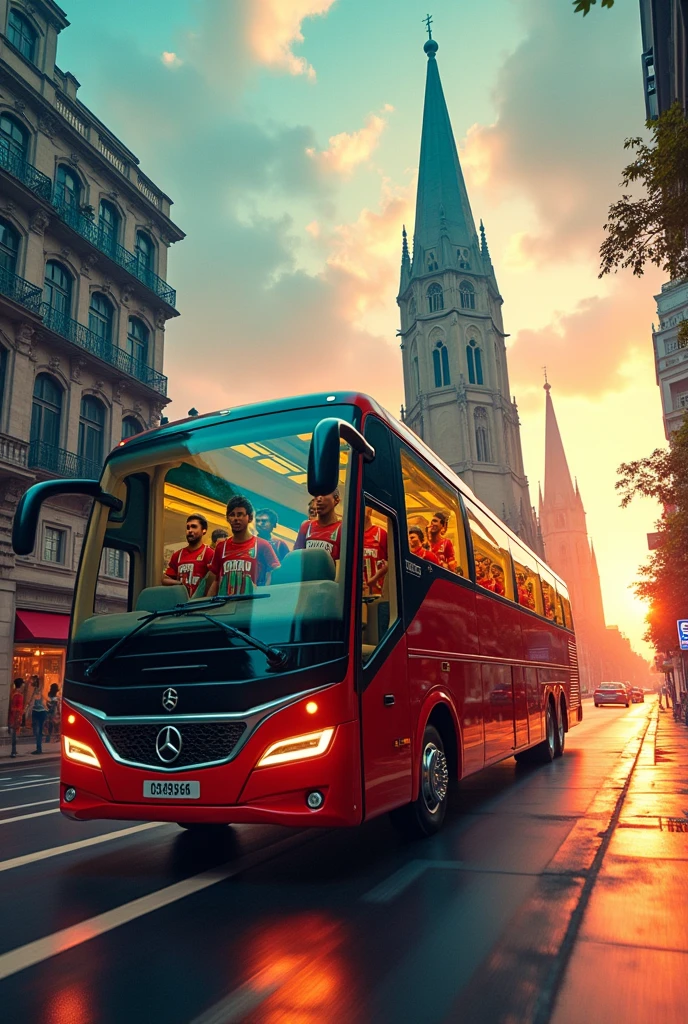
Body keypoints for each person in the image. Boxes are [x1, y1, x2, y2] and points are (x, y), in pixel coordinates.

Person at [206, 495, 280, 597]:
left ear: (249, 518)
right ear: (228, 518)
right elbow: (215, 581)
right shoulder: (221, 547)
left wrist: (264, 598)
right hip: (224, 608)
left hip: (250, 608)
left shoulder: (262, 545)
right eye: (232, 515)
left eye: (240, 514)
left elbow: (274, 573)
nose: (236, 518)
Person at [163, 513, 215, 598]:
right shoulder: (177, 555)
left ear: (204, 530)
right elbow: (165, 579)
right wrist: (179, 584)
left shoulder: (209, 553)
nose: (190, 530)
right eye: (188, 527)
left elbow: (214, 580)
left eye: (194, 527)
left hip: (200, 605)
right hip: (180, 605)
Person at [293, 492, 343, 562]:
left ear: (336, 500)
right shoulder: (306, 526)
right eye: (317, 494)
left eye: (324, 493)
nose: (319, 498)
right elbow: (295, 560)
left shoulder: (342, 529)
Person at [363, 507, 388, 595]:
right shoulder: (350, 534)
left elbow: (392, 564)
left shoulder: (381, 533)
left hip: (377, 593)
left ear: (370, 511)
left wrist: (376, 577)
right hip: (356, 594)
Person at [7, 679, 24, 758]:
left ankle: (14, 750)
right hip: (16, 716)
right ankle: (13, 751)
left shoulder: (14, 693)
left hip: (14, 716)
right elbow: (16, 707)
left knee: (15, 734)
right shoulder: (18, 695)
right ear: (20, 685)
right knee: (14, 734)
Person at [29, 686, 47, 755]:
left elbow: (32, 705)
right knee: (39, 731)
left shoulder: (35, 697)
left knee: (37, 731)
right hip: (42, 713)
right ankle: (39, 748)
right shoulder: (42, 697)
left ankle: (39, 748)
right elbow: (44, 705)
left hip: (37, 713)